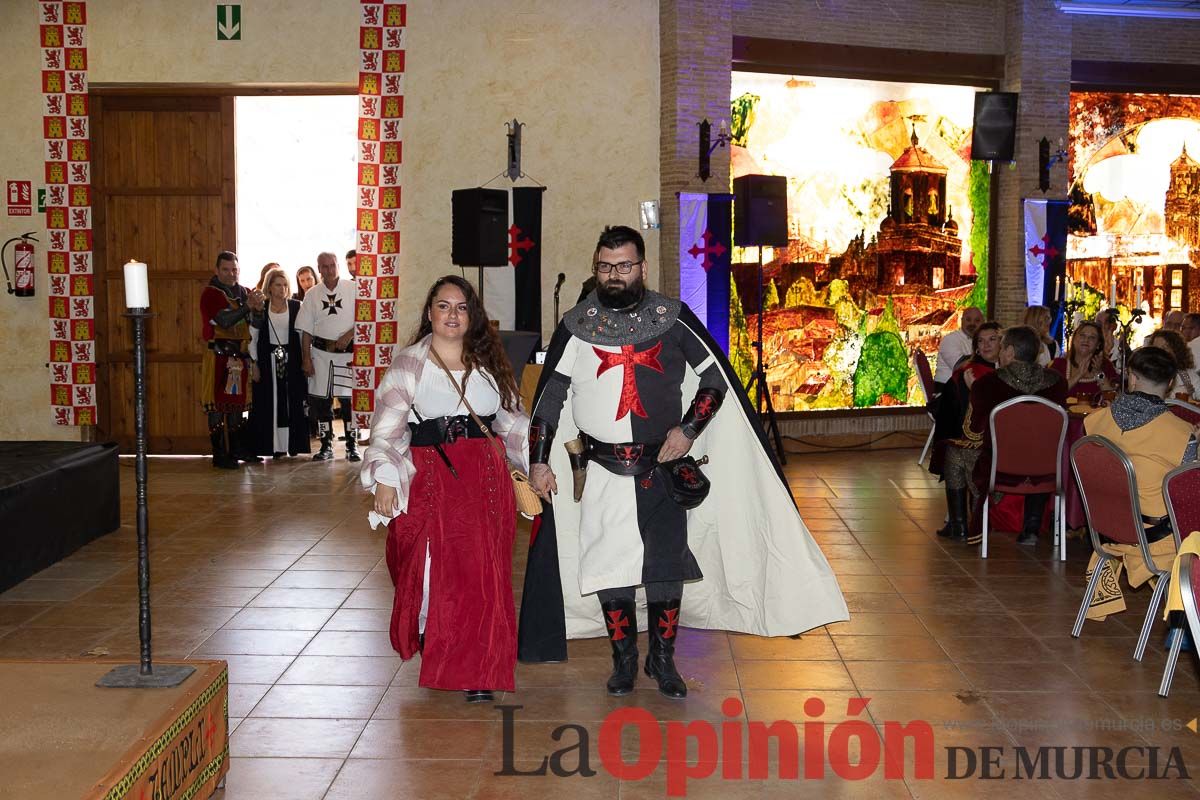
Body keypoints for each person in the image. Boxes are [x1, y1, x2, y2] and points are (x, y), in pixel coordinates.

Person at [520, 225, 847, 698]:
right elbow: (550, 397)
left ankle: (662, 660)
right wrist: (537, 460)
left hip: (661, 470)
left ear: (643, 267)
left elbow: (715, 379)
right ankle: (624, 661)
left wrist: (689, 429)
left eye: (624, 265)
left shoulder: (671, 319)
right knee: (612, 570)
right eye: (606, 266)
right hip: (605, 473)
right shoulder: (576, 325)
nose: (615, 275)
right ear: (597, 268)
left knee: (664, 569)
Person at [361, 275, 529, 704]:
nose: (452, 315)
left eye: (460, 307)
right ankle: (439, 643)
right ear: (429, 312)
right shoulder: (408, 365)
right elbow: (385, 430)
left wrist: (537, 465)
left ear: (472, 316)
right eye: (443, 306)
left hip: (486, 482)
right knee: (436, 574)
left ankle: (480, 668)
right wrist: (384, 476)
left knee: (484, 574)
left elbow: (511, 425)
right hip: (433, 480)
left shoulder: (491, 365)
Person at [1081, 346, 1199, 621]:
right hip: (1152, 534)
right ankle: (1188, 618)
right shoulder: (1181, 433)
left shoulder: (1094, 421)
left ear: (1132, 378)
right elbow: (1188, 492)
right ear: (1170, 384)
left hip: (1106, 525)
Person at [943, 326, 1067, 546]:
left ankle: (959, 526)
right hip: (1048, 465)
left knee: (953, 452)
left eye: (1001, 347)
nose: (999, 352)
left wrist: (973, 393)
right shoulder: (1057, 381)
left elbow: (973, 431)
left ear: (1009, 351)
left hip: (1001, 465)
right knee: (1036, 449)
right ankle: (1031, 527)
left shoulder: (988, 383)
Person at [931, 321, 1001, 538]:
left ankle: (958, 523)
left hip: (990, 436)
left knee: (958, 457)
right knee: (961, 455)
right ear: (976, 347)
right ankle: (962, 524)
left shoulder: (1003, 369)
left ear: (1003, 343)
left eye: (992, 340)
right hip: (968, 434)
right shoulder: (971, 371)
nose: (986, 345)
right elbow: (965, 415)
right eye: (981, 341)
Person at [200, 251, 264, 469]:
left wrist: (258, 309)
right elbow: (224, 321)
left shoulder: (245, 292)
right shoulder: (210, 294)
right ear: (217, 270)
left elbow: (255, 325)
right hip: (218, 356)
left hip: (238, 356)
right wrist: (248, 306)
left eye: (234, 269)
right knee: (217, 406)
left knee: (237, 406)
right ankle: (219, 454)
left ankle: (237, 449)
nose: (230, 274)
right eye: (225, 269)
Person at [297, 252, 359, 462]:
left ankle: (353, 445)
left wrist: (349, 335)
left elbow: (365, 316)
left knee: (349, 402)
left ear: (337, 266)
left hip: (348, 355)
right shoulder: (312, 295)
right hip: (321, 355)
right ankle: (326, 445)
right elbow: (305, 330)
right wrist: (306, 359)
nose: (328, 270)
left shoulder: (353, 289)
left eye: (332, 265)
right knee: (321, 403)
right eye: (324, 266)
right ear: (319, 268)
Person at [248, 268, 310, 458]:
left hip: (292, 362)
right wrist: (254, 363)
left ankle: (291, 445)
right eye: (277, 284)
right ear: (269, 286)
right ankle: (270, 446)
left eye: (285, 285)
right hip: (267, 362)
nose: (282, 288)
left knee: (292, 402)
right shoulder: (261, 308)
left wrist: (306, 360)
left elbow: (303, 336)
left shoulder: (296, 307)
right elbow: (253, 337)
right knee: (268, 403)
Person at [1051, 321, 1118, 398]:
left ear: (1098, 345)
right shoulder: (1059, 364)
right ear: (1074, 340)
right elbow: (1053, 395)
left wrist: (1098, 372)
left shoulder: (1105, 365)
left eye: (1092, 337)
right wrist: (1079, 375)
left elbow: (1111, 398)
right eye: (1082, 335)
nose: (1086, 340)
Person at [933, 306, 984, 390]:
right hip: (946, 390)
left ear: (983, 323)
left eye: (977, 321)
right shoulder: (950, 340)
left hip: (965, 388)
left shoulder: (980, 340)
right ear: (961, 321)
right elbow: (960, 367)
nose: (972, 324)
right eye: (968, 320)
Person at [1147, 329, 1198, 400]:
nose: (1159, 352)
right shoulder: (1146, 373)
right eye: (1156, 348)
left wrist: (1192, 395)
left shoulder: (1186, 375)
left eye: (1164, 348)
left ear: (1176, 350)